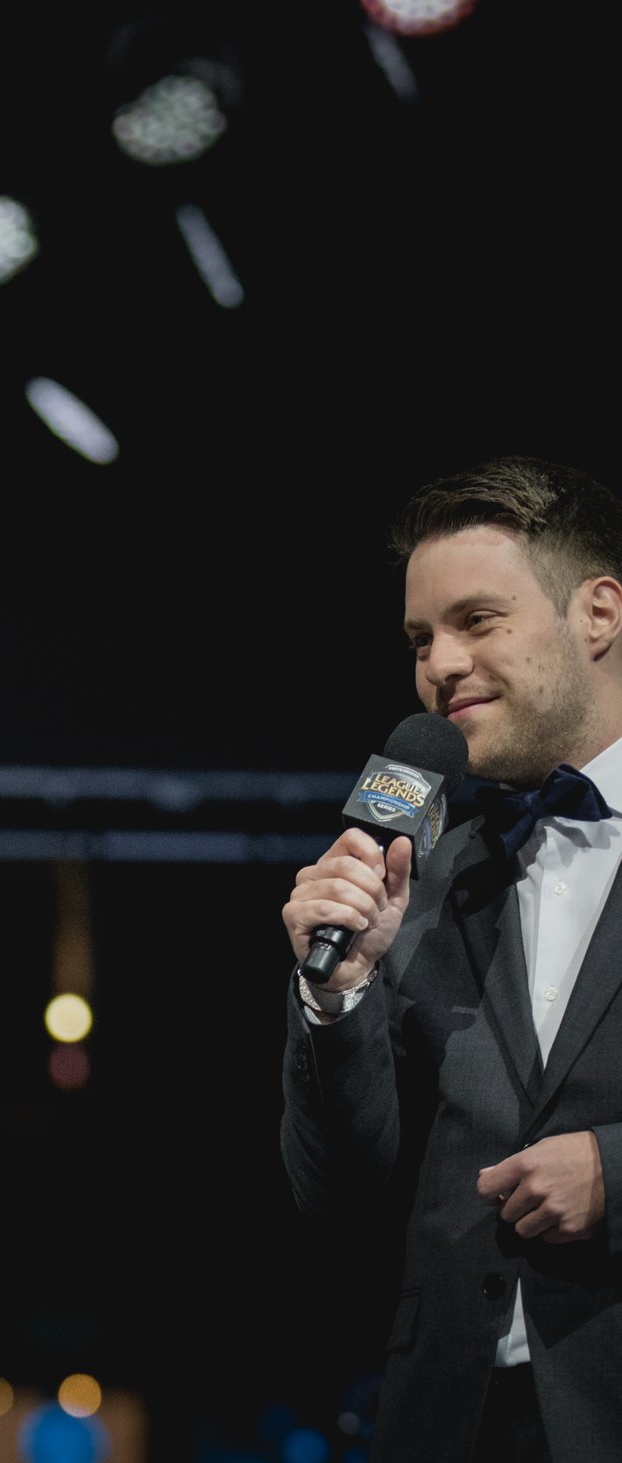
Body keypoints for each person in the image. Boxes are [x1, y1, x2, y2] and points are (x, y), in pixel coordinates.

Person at [279, 455, 622, 1463]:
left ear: (597, 614)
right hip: (452, 1418)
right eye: (419, 637)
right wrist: (331, 998)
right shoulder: (406, 874)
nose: (437, 663)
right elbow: (332, 1193)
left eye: (476, 620)